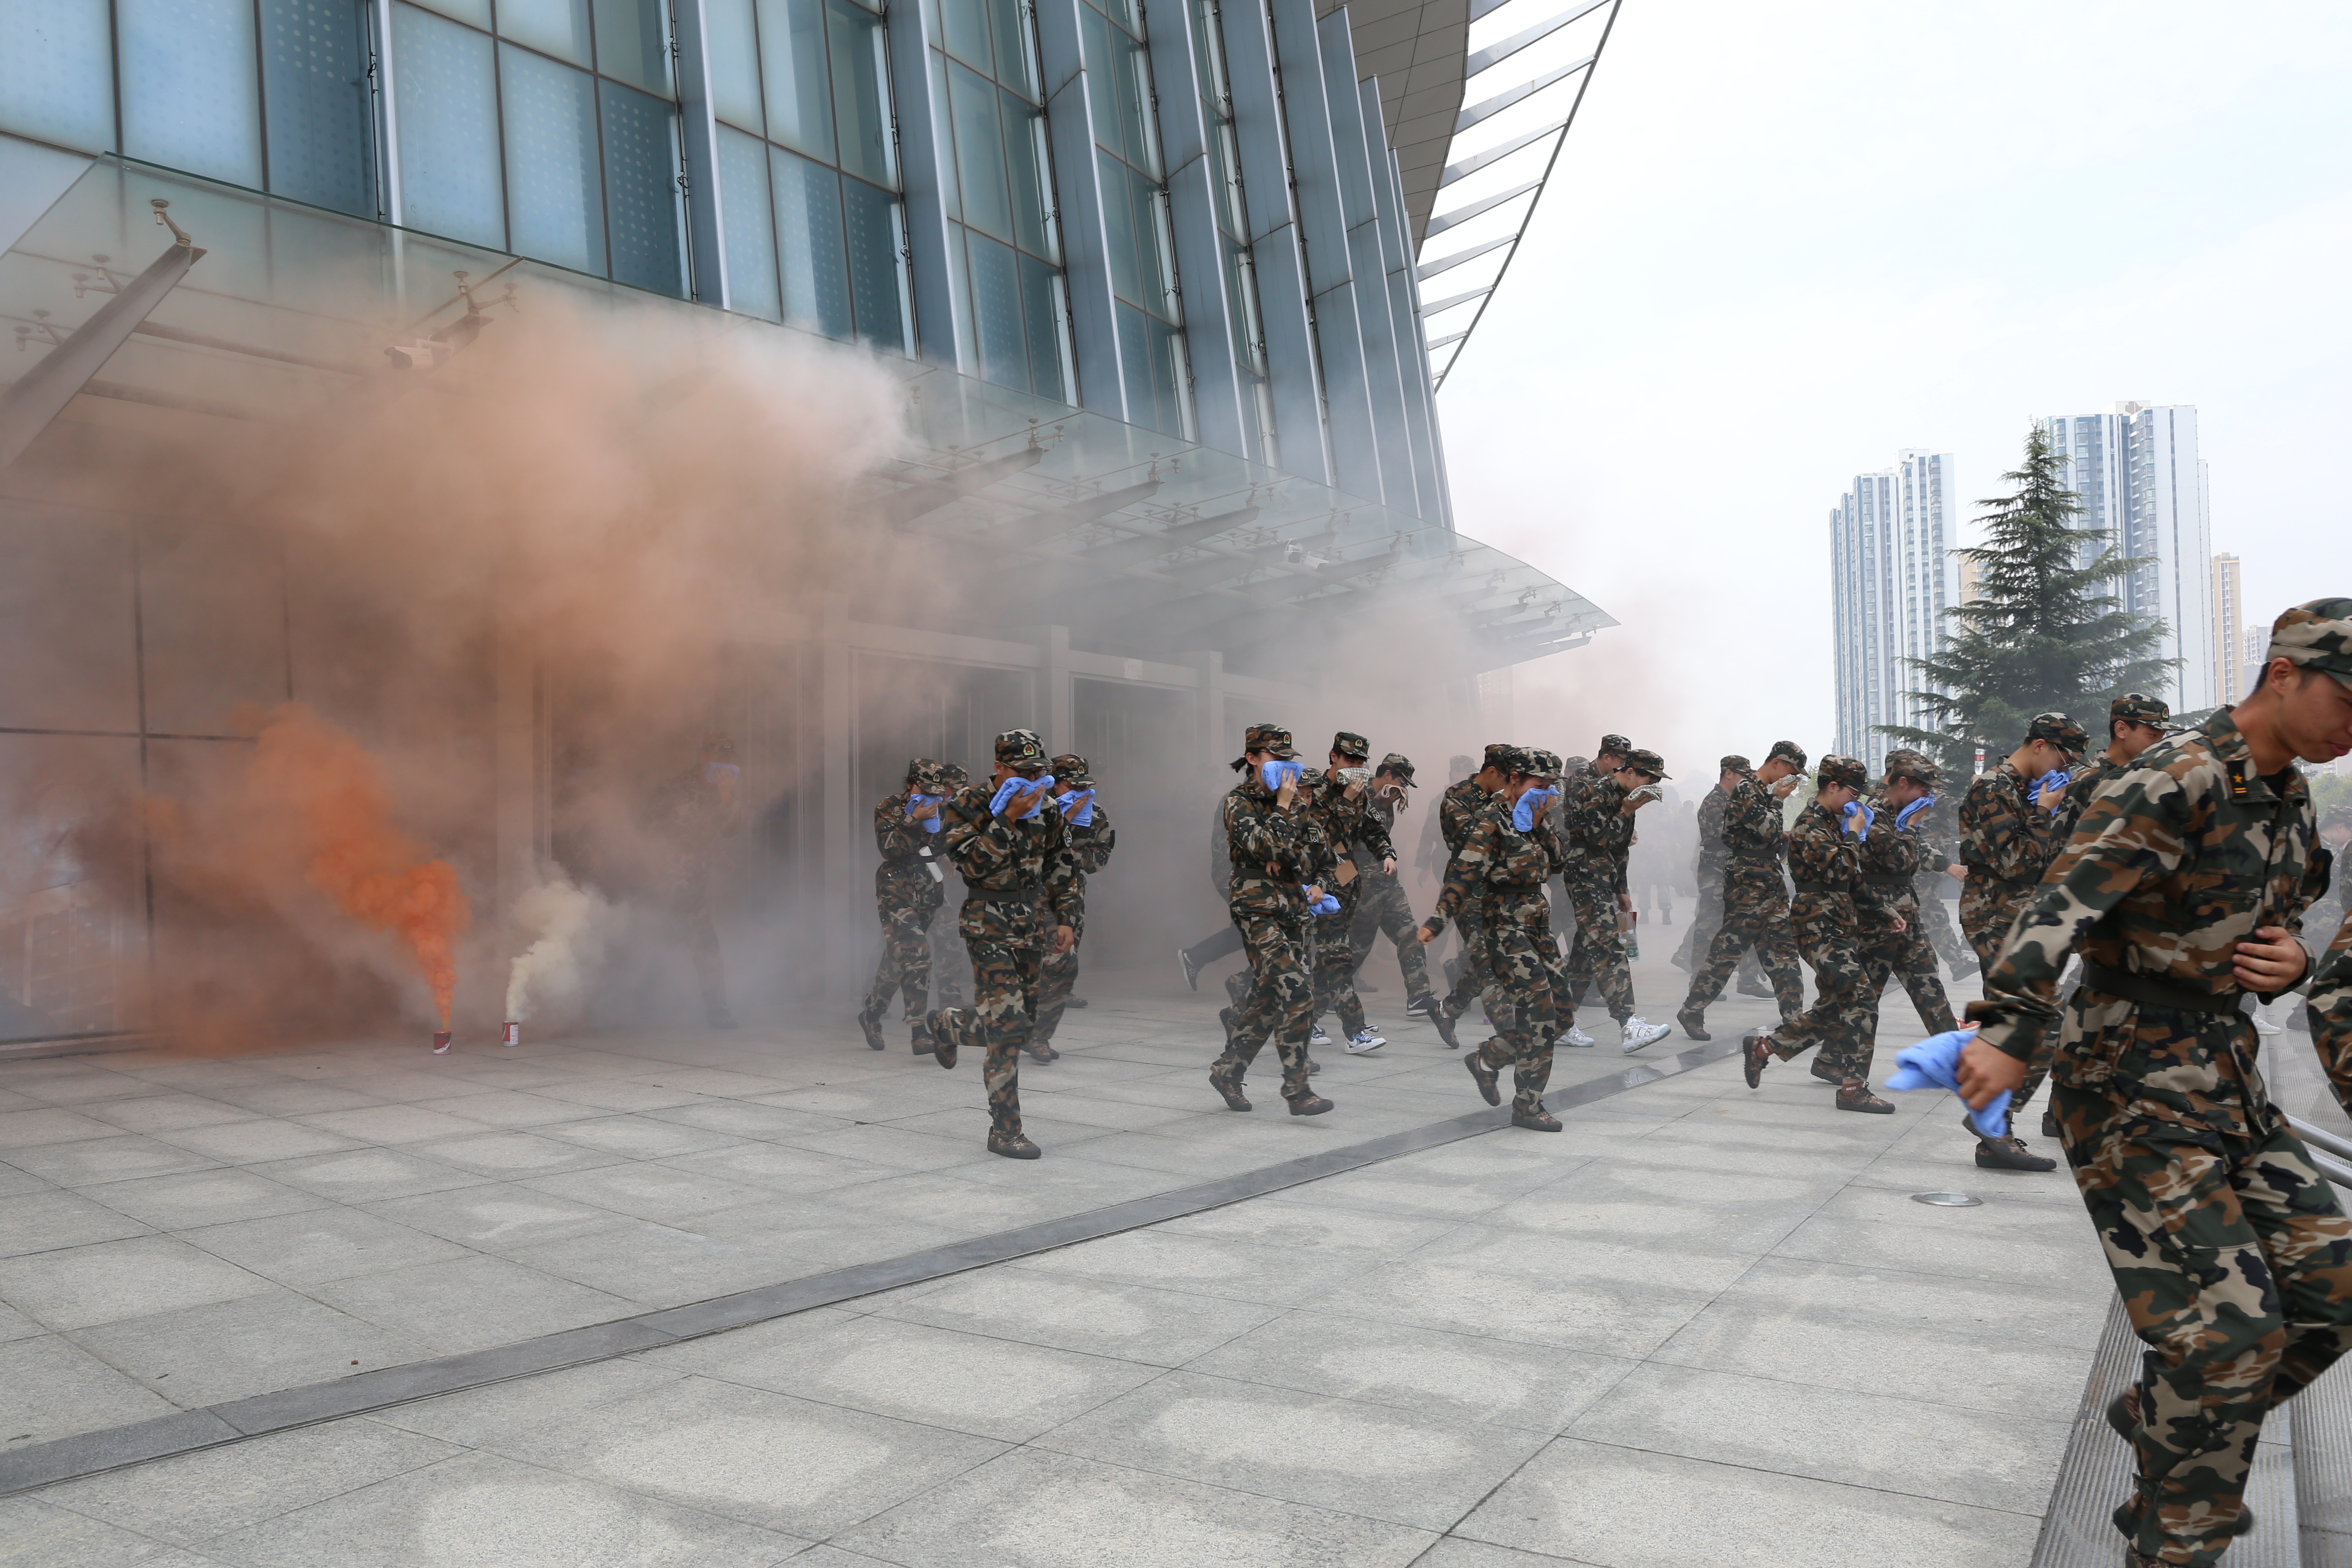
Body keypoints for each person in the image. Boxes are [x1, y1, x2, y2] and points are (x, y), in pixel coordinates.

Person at [1955, 599, 2352, 1568]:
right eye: (2349, 696)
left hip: (2229, 1078)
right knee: (2229, 1337)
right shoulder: (2174, 775)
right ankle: (2174, 1541)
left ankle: (2162, 1415)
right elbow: (2060, 904)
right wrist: (2011, 1031)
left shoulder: (2287, 793)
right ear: (2285, 675)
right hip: (2131, 1079)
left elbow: (2285, 912)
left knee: (2334, 1291)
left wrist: (2295, 963)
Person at [925, 730, 1081, 1160]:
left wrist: (1066, 917)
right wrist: (1007, 819)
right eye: (1022, 772)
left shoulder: (1048, 809)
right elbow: (972, 865)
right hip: (987, 922)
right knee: (1009, 1029)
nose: (1032, 780)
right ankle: (1005, 1130)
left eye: (1039, 772)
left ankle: (950, 1025)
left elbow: (1062, 866)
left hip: (1030, 923)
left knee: (1022, 1025)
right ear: (999, 768)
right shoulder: (966, 805)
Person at [1954, 710, 2086, 1172]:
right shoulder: (1993, 788)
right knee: (2034, 1019)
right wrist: (2043, 811)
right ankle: (1993, 1123)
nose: (2061, 769)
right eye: (2062, 756)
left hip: (2014, 914)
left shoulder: (2017, 790)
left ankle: (1995, 1134)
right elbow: (2015, 863)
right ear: (2039, 746)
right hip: (1993, 914)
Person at [1419, 747, 1574, 1131]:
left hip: (1537, 923)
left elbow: (1556, 864)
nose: (1548, 792)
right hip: (1504, 926)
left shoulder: (1538, 816)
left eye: (1552, 786)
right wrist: (1436, 922)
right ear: (1514, 780)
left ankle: (1487, 1058)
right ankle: (1528, 1106)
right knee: (1538, 1011)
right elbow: (1463, 874)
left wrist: (1541, 823)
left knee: (1564, 1015)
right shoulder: (1490, 820)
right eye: (1540, 785)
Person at [1737, 755, 1893, 1113]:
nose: (1858, 802)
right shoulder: (1810, 826)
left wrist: (1885, 912)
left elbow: (1853, 881)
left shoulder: (1832, 825)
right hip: (1817, 927)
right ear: (1833, 787)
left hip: (1838, 923)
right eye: (1854, 793)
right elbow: (1841, 868)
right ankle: (1853, 1088)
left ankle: (1765, 1048)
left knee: (1836, 1006)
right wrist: (1855, 832)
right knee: (1863, 999)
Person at [1207, 723, 1337, 1117]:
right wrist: (1282, 809)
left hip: (1296, 910)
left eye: (1287, 760)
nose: (1283, 768)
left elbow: (1323, 858)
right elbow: (1266, 845)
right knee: (1297, 990)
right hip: (1257, 908)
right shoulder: (1238, 802)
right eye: (1274, 759)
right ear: (1252, 759)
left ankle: (1227, 1071)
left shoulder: (1299, 804)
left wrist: (1319, 883)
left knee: (1266, 999)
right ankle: (1297, 1090)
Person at [1818, 750, 1957, 1084]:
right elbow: (1899, 861)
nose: (1928, 796)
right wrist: (1911, 827)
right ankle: (1829, 1057)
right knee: (1865, 996)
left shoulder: (1899, 812)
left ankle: (1956, 1059)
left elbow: (1912, 857)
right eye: (1924, 789)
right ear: (1903, 782)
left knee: (1929, 986)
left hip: (1904, 913)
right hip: (1877, 917)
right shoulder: (1872, 813)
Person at [1676, 741, 1807, 1038]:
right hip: (1748, 883)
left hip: (1768, 880)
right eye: (1791, 770)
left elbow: (1773, 841)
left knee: (1785, 954)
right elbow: (1771, 832)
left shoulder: (1759, 793)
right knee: (1726, 952)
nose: (1792, 778)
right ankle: (1692, 1010)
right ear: (1776, 763)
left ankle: (1794, 1019)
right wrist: (1779, 800)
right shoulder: (1748, 790)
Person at [1563, 745, 1677, 1053]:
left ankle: (1559, 1023)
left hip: (1603, 879)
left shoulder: (1626, 799)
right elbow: (1599, 841)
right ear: (1629, 772)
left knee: (1583, 958)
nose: (1652, 788)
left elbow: (1620, 848)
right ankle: (1630, 1024)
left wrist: (1622, 890)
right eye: (1649, 780)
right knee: (1608, 945)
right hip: (1585, 876)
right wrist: (1626, 811)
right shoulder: (1594, 793)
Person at [1304, 732, 1398, 1054]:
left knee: (1329, 960)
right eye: (1349, 760)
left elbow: (1372, 829)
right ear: (1333, 757)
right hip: (1317, 885)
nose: (1356, 767)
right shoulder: (1312, 790)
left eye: (1361, 762)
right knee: (1336, 958)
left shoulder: (1358, 794)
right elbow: (1323, 837)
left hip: (1345, 884)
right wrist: (1345, 800)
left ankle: (1307, 1022)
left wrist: (1387, 853)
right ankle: (1354, 1032)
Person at [857, 758, 950, 1054]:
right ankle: (919, 1032)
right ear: (911, 784)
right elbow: (890, 849)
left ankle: (871, 1013)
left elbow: (938, 848)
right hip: (895, 889)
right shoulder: (889, 807)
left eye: (936, 792)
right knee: (919, 955)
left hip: (927, 889)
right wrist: (914, 820)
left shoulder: (941, 808)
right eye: (925, 790)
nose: (931, 797)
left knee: (899, 960)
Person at [650, 730, 742, 1029]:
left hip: (697, 880)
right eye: (717, 757)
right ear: (704, 757)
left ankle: (715, 1010)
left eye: (728, 758)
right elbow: (659, 829)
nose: (723, 764)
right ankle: (649, 1005)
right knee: (675, 939)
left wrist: (726, 796)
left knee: (699, 944)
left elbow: (729, 829)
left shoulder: (722, 790)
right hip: (671, 879)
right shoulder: (678, 788)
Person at [1028, 753, 1114, 1062]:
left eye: (1083, 786)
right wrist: (1061, 820)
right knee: (1040, 966)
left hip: (1069, 896)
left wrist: (1073, 858)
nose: (1078, 793)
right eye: (1071, 786)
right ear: (1056, 783)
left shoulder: (1096, 814)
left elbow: (1100, 858)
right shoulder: (1035, 807)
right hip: (1032, 897)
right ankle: (1029, 1033)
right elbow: (1027, 851)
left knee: (1063, 964)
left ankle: (1038, 1034)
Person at [1429, 745, 1515, 1049]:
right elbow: (1474, 839)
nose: (1510, 786)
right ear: (1492, 772)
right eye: (1508, 778)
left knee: (1494, 958)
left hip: (1499, 890)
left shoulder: (1505, 798)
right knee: (1488, 962)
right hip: (1467, 889)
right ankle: (1510, 1033)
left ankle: (1447, 1010)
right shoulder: (1457, 796)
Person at [1349, 753, 1440, 1021]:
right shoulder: (1358, 793)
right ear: (1387, 774)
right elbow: (1351, 832)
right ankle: (1329, 991)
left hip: (1386, 880)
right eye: (1401, 780)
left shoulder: (1389, 799)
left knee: (1410, 935)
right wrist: (1377, 803)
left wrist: (1385, 803)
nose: (1403, 788)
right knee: (1359, 945)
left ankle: (1419, 996)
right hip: (1362, 881)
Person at [2057, 692, 2172, 838]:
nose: (2159, 744)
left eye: (2162, 737)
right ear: (2121, 730)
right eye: (2153, 736)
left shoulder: (2149, 778)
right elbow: (2059, 847)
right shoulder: (2088, 782)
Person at [1179, 791, 1244, 990]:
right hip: (1234, 875)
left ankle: (1196, 957)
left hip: (1244, 876)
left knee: (1248, 929)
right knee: (1252, 928)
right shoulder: (1237, 799)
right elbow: (1229, 845)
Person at [928, 762, 970, 1009]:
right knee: (898, 946)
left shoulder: (952, 812)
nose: (954, 796)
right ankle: (875, 996)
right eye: (950, 790)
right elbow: (918, 849)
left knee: (950, 935)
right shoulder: (922, 807)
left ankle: (950, 995)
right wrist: (938, 861)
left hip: (934, 886)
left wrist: (944, 857)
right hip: (908, 886)